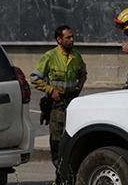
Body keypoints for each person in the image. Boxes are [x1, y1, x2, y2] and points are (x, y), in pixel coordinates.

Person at [29, 25, 87, 170]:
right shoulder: (50, 56)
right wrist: (51, 90)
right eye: (68, 37)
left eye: (72, 37)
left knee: (71, 138)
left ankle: (68, 171)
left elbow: (82, 74)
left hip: (71, 103)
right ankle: (60, 173)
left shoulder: (76, 57)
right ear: (59, 39)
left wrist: (78, 89)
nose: (72, 40)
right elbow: (35, 78)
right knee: (57, 141)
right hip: (57, 105)